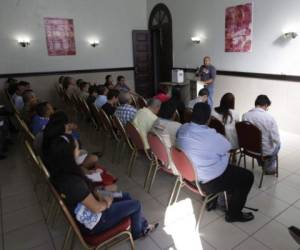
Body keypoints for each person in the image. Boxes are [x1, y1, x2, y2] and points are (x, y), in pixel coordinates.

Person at [45, 133, 158, 239]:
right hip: (96, 221)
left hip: (88, 204)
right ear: (68, 155)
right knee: (136, 204)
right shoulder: (73, 183)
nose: (79, 152)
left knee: (124, 195)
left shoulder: (59, 172)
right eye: (77, 149)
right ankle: (138, 233)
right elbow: (97, 208)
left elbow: (85, 194)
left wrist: (100, 192)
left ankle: (143, 225)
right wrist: (107, 201)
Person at [176, 102, 254, 223]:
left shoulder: (183, 128)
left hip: (188, 176)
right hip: (207, 182)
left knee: (218, 163)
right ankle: (233, 214)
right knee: (247, 177)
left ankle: (212, 201)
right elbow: (227, 146)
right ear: (209, 119)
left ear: (192, 115)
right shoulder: (212, 136)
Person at [242, 95, 280, 175]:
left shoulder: (245, 115)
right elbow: (276, 139)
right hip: (263, 152)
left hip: (248, 148)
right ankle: (269, 167)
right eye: (267, 107)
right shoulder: (269, 118)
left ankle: (262, 163)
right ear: (266, 105)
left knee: (259, 142)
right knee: (278, 145)